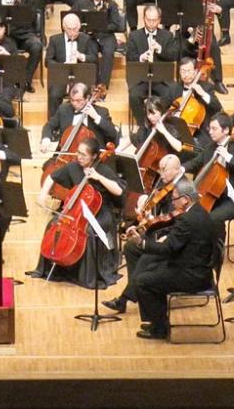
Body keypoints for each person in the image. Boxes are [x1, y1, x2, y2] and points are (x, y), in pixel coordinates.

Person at [125, 187, 219, 340]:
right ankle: (158, 322)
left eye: (175, 199)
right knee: (151, 269)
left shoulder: (188, 219)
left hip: (192, 276)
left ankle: (160, 328)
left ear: (186, 199)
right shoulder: (199, 212)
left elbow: (167, 248)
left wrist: (140, 242)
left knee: (142, 281)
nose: (172, 202)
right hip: (197, 268)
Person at [32, 137, 125, 289]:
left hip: (100, 212)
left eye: (83, 155)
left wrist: (98, 177)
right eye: (78, 153)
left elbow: (119, 190)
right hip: (77, 210)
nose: (79, 157)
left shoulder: (103, 170)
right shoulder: (73, 167)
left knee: (88, 231)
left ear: (94, 156)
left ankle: (85, 275)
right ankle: (54, 266)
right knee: (53, 223)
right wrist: (43, 194)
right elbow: (51, 176)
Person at [77, 0, 125, 90]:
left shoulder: (111, 4)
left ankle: (102, 86)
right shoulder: (82, 3)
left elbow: (115, 24)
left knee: (108, 52)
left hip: (107, 36)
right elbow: (72, 17)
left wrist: (100, 27)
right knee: (91, 52)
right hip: (90, 36)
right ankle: (93, 82)